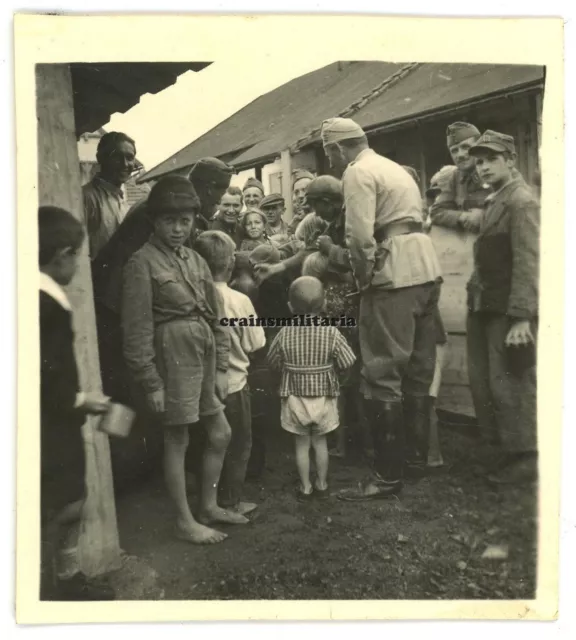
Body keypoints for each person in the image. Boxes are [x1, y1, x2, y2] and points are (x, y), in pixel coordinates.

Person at [319, 117, 443, 501]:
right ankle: (415, 463)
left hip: (394, 274)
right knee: (419, 371)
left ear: (338, 149)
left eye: (329, 156)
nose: (331, 165)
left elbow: (359, 237)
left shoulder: (358, 172)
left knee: (383, 371)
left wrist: (364, 278)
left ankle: (386, 476)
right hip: (425, 267)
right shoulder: (390, 166)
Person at [122, 176, 249, 546]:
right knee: (176, 438)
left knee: (220, 432)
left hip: (204, 355)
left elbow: (217, 315)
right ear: (154, 221)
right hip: (171, 357)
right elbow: (136, 332)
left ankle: (208, 506)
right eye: (169, 221)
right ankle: (184, 520)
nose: (178, 229)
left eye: (185, 221)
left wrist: (223, 367)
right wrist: (151, 383)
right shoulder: (140, 264)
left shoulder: (195, 259)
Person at [90, 157, 234, 401]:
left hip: (119, 302)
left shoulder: (165, 202)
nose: (216, 205)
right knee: (128, 393)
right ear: (209, 189)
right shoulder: (171, 209)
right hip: (116, 309)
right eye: (218, 198)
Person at [39, 206, 115, 601]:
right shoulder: (47, 306)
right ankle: (58, 583)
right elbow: (48, 380)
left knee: (67, 503)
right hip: (54, 424)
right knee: (68, 503)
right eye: (78, 255)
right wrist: (82, 400)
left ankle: (63, 578)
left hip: (53, 418)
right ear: (62, 255)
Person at [466, 130, 539, 484]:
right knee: (491, 383)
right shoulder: (496, 200)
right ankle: (504, 453)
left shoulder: (521, 201)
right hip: (487, 305)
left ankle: (526, 459)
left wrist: (521, 318)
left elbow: (528, 261)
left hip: (507, 311)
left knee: (512, 382)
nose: (483, 167)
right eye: (478, 161)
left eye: (491, 159)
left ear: (510, 159)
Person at [193, 231, 266, 515]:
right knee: (237, 443)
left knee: (205, 442)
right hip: (233, 384)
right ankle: (230, 500)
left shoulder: (194, 295)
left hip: (200, 383)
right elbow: (255, 342)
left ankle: (205, 496)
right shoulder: (238, 300)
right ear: (229, 264)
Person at [267, 277, 356, 500]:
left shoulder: (285, 332)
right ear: (324, 304)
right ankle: (322, 483)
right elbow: (348, 361)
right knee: (320, 442)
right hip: (324, 396)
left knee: (301, 445)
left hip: (295, 397)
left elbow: (272, 361)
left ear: (290, 306)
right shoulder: (331, 332)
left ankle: (305, 486)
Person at [83, 131, 137, 260]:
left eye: (129, 158)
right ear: (100, 158)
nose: (125, 164)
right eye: (117, 157)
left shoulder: (123, 201)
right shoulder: (86, 198)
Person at [430, 122, 490, 233]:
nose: (460, 155)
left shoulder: (497, 169)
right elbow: (436, 212)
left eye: (465, 147)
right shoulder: (455, 177)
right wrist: (463, 216)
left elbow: (515, 205)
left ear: (478, 146)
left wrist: (485, 216)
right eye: (454, 151)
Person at [288, 169, 315, 234]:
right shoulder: (293, 225)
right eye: (296, 192)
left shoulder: (325, 221)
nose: (300, 196)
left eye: (305, 190)